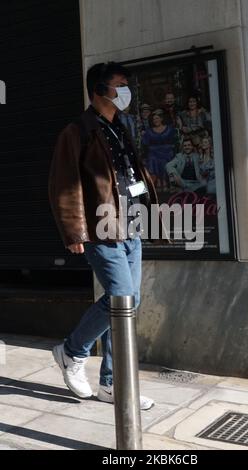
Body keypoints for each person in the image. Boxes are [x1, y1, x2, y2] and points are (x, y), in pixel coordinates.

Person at [48, 62, 168, 410]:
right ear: (99, 90)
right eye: (120, 85)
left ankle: (112, 383)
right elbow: (63, 183)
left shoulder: (120, 127)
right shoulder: (78, 131)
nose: (126, 90)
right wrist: (73, 230)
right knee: (120, 297)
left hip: (131, 226)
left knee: (128, 304)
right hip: (102, 228)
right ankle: (72, 351)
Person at [142, 110, 176, 192]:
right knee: (152, 158)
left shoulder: (169, 128)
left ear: (161, 119)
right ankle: (158, 183)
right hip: (154, 151)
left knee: (167, 157)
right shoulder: (149, 131)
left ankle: (165, 182)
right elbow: (145, 143)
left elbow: (174, 142)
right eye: (154, 119)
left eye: (157, 118)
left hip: (167, 150)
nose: (156, 120)